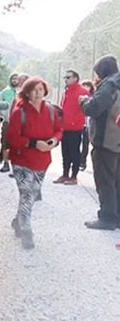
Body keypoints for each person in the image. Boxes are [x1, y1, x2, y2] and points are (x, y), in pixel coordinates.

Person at [6, 76, 63, 249]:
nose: (38, 93)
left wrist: (54, 141)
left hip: (42, 160)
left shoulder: (51, 110)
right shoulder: (19, 112)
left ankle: (18, 220)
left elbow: (59, 130)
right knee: (27, 193)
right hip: (21, 160)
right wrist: (32, 143)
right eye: (34, 90)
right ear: (27, 92)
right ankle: (26, 230)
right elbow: (12, 137)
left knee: (33, 194)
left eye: (41, 89)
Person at [79, 55, 120, 230]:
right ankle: (116, 217)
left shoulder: (109, 84)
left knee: (104, 179)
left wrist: (83, 101)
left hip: (106, 140)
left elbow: (93, 108)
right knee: (116, 180)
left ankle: (107, 218)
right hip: (117, 140)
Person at [53, 70, 90, 185]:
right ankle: (65, 174)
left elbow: (85, 109)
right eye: (65, 77)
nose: (66, 79)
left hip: (75, 127)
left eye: (68, 77)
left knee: (74, 152)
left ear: (75, 78)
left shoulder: (82, 91)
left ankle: (74, 176)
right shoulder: (66, 91)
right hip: (64, 126)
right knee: (65, 151)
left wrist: (76, 121)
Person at [0, 73, 29, 174]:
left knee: (19, 145)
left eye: (20, 80)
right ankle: (5, 163)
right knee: (6, 142)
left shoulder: (29, 93)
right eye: (16, 79)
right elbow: (2, 104)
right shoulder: (7, 91)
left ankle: (19, 167)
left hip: (22, 124)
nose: (17, 81)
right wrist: (5, 114)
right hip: (8, 120)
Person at [79, 80, 95, 171]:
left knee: (85, 143)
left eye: (87, 86)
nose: (86, 88)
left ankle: (82, 161)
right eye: (84, 86)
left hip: (88, 124)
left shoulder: (93, 97)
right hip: (80, 123)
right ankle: (78, 160)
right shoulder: (80, 97)